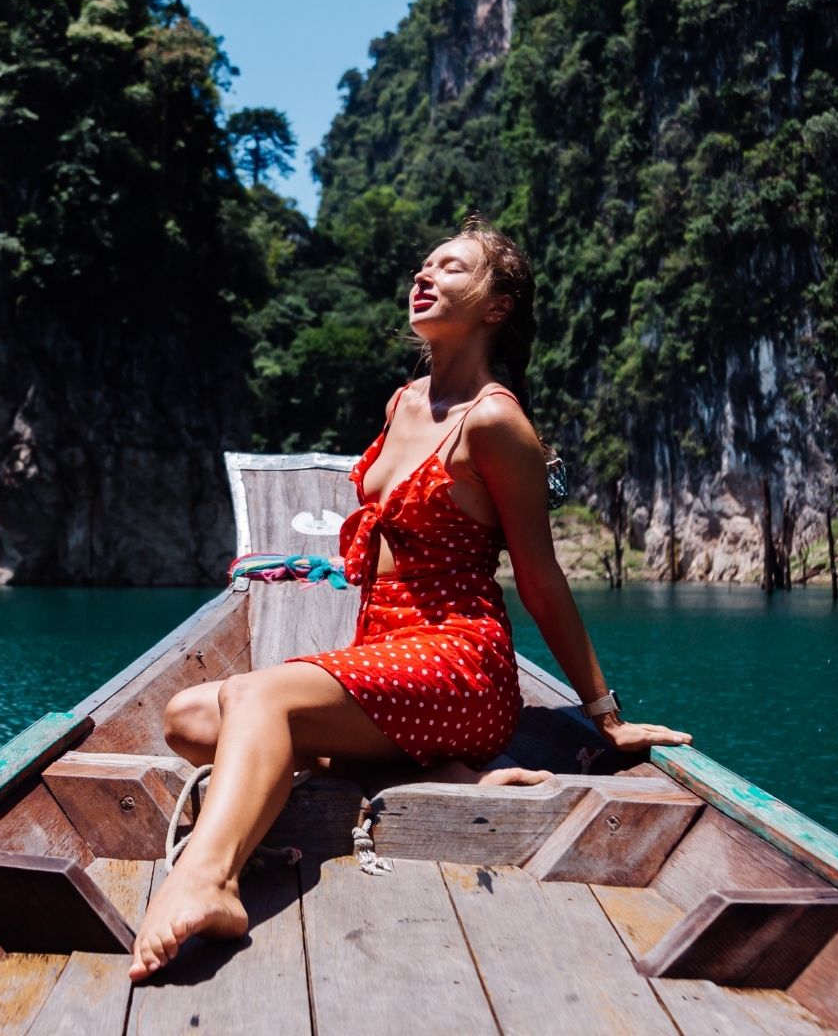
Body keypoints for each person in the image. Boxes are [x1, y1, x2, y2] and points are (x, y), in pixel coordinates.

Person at [128, 214, 693, 982]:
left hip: (460, 663)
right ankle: (426, 770)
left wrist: (605, 715)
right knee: (188, 717)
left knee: (257, 700)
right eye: (424, 265)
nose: (425, 276)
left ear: (497, 306)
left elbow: (540, 579)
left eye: (452, 268)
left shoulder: (495, 422)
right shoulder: (404, 401)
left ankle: (209, 879)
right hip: (386, 653)